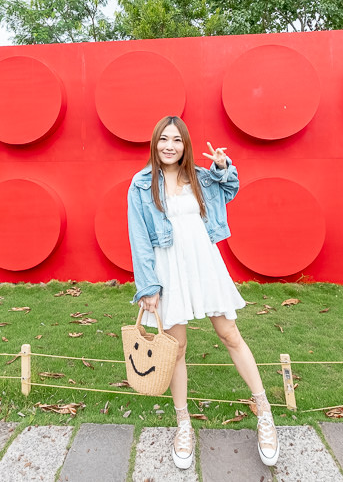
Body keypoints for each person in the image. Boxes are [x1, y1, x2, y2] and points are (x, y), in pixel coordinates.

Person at [127, 115, 280, 470]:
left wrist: (225, 167)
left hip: (204, 264)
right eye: (163, 139)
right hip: (168, 271)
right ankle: (183, 425)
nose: (169, 146)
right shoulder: (141, 184)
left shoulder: (199, 175)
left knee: (230, 334)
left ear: (185, 145)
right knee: (176, 348)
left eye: (176, 140)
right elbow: (138, 239)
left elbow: (229, 189)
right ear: (154, 143)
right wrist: (148, 287)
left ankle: (265, 414)